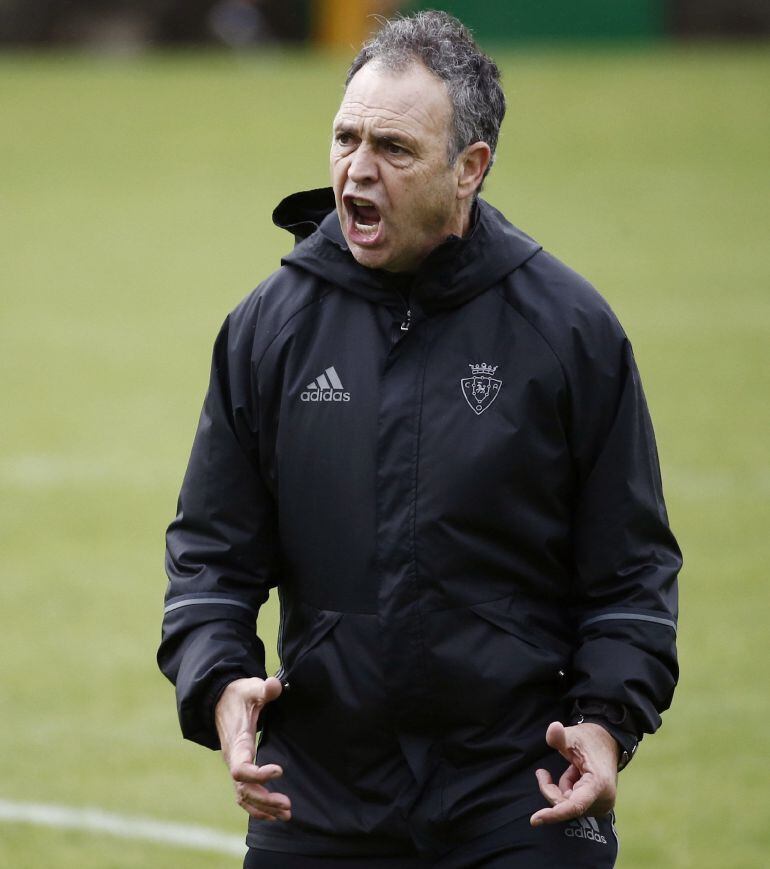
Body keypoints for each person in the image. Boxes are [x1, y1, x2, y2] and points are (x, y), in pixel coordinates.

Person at [158, 11, 680, 868]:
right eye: (345, 138)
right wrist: (219, 680)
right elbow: (211, 552)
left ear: (470, 168)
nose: (356, 171)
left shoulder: (569, 332)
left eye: (394, 150)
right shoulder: (269, 329)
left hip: (523, 793)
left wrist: (605, 720)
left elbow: (630, 566)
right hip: (317, 794)